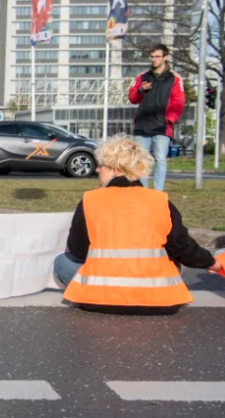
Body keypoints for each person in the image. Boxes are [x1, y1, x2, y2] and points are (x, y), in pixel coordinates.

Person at [54, 135, 223, 315]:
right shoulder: (160, 201)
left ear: (115, 169)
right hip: (160, 300)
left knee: (62, 262)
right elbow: (183, 247)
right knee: (171, 259)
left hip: (99, 298)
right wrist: (213, 264)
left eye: (102, 165)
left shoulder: (90, 200)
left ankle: (86, 293)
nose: (97, 170)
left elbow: (78, 251)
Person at [128, 44, 185, 191]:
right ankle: (143, 191)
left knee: (160, 160)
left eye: (157, 56)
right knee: (141, 161)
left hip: (162, 127)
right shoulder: (142, 77)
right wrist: (140, 90)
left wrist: (169, 119)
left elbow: (178, 102)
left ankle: (158, 191)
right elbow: (132, 97)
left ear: (165, 57)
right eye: (152, 56)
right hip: (143, 125)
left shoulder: (175, 78)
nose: (153, 59)